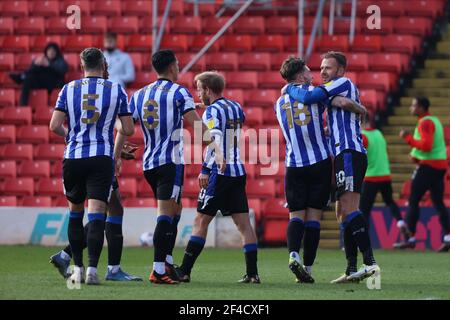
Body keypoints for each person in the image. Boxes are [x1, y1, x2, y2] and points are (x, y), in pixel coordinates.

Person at [284, 51, 380, 283]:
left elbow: (308, 98)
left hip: (348, 152)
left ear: (340, 70)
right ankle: (351, 268)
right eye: (322, 67)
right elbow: (342, 104)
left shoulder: (342, 82)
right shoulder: (335, 91)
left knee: (348, 207)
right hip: (341, 154)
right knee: (341, 211)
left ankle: (370, 263)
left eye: (328, 68)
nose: (323, 71)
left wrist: (288, 88)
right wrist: (355, 108)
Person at [117, 50, 209, 285]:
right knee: (165, 215)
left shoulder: (139, 94)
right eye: (177, 65)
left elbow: (124, 126)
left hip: (149, 162)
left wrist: (117, 152)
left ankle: (167, 261)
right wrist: (216, 143)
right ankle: (158, 269)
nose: (179, 69)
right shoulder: (179, 92)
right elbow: (197, 126)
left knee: (175, 211)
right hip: (170, 162)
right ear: (171, 68)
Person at [49, 47, 134, 285]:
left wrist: (70, 136)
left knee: (76, 215)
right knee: (97, 216)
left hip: (73, 157)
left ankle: (76, 269)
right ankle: (93, 271)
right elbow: (128, 129)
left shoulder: (68, 88)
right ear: (103, 64)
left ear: (82, 65)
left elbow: (54, 125)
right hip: (101, 158)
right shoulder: (116, 89)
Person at [174, 71, 260, 284]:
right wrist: (208, 109)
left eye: (200, 89)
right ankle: (252, 274)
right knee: (244, 225)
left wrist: (205, 168)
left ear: (208, 90)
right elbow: (231, 124)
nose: (198, 92)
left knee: (201, 220)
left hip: (218, 172)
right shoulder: (236, 107)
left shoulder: (211, 113)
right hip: (237, 171)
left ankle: (184, 270)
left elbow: (214, 140)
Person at [49, 145, 142, 282]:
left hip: (77, 157)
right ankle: (111, 269)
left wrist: (116, 149)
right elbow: (123, 128)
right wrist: (116, 153)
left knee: (107, 211)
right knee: (105, 212)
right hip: (100, 160)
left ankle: (66, 256)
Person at [395, 97, 450, 252]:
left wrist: (408, 138)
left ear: (420, 107)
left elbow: (426, 145)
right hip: (439, 165)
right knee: (438, 202)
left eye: (413, 106)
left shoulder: (425, 122)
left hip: (429, 166)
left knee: (413, 199)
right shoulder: (434, 120)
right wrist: (415, 154)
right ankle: (448, 237)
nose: (411, 108)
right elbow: (432, 146)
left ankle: (410, 238)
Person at [360, 114, 411, 244]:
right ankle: (400, 222)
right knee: (390, 202)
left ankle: (364, 241)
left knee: (365, 209)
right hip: (385, 175)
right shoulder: (379, 134)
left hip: (371, 177)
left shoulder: (363, 137)